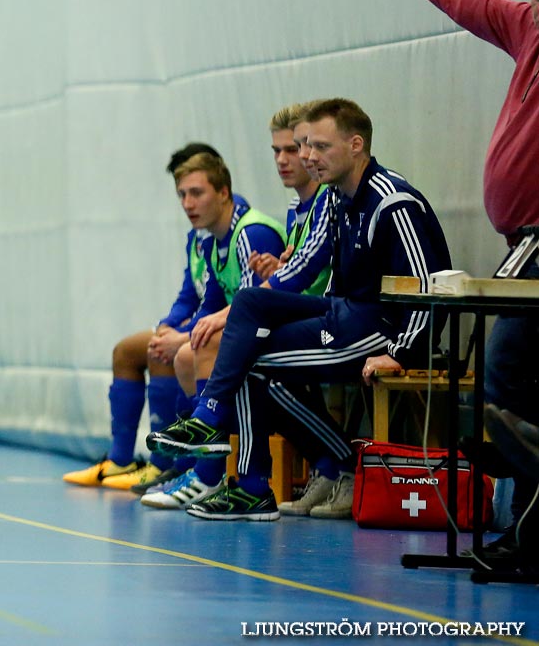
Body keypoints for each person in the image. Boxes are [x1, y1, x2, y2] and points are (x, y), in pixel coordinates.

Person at [341, 0, 539, 560]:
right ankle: (525, 530)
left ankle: (527, 533)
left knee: (510, 382)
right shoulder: (526, 27)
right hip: (526, 246)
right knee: (508, 389)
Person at [148, 98, 452, 521]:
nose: (307, 156)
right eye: (304, 145)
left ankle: (287, 466)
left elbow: (428, 288)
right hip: (344, 314)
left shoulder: (392, 201)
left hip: (383, 329)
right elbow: (316, 275)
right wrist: (245, 313)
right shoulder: (336, 199)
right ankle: (238, 460)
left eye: (319, 146)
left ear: (356, 145)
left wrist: (401, 352)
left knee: (250, 359)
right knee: (252, 308)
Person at [147, 105, 337, 513]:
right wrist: (176, 326)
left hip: (327, 321)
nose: (291, 159)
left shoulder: (257, 230)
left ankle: (213, 471)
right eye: (278, 151)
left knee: (227, 352)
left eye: (300, 147)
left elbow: (302, 280)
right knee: (187, 348)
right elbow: (213, 297)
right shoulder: (295, 207)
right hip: (298, 316)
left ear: (223, 192)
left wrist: (279, 274)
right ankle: (196, 465)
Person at [62, 143, 237, 494]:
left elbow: (232, 299)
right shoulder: (198, 234)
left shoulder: (236, 228)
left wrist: (180, 336)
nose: (188, 203)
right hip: (202, 323)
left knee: (166, 353)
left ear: (220, 190)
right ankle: (121, 458)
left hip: (222, 330)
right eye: (182, 194)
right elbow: (190, 292)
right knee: (127, 350)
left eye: (195, 192)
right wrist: (168, 325)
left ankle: (164, 464)